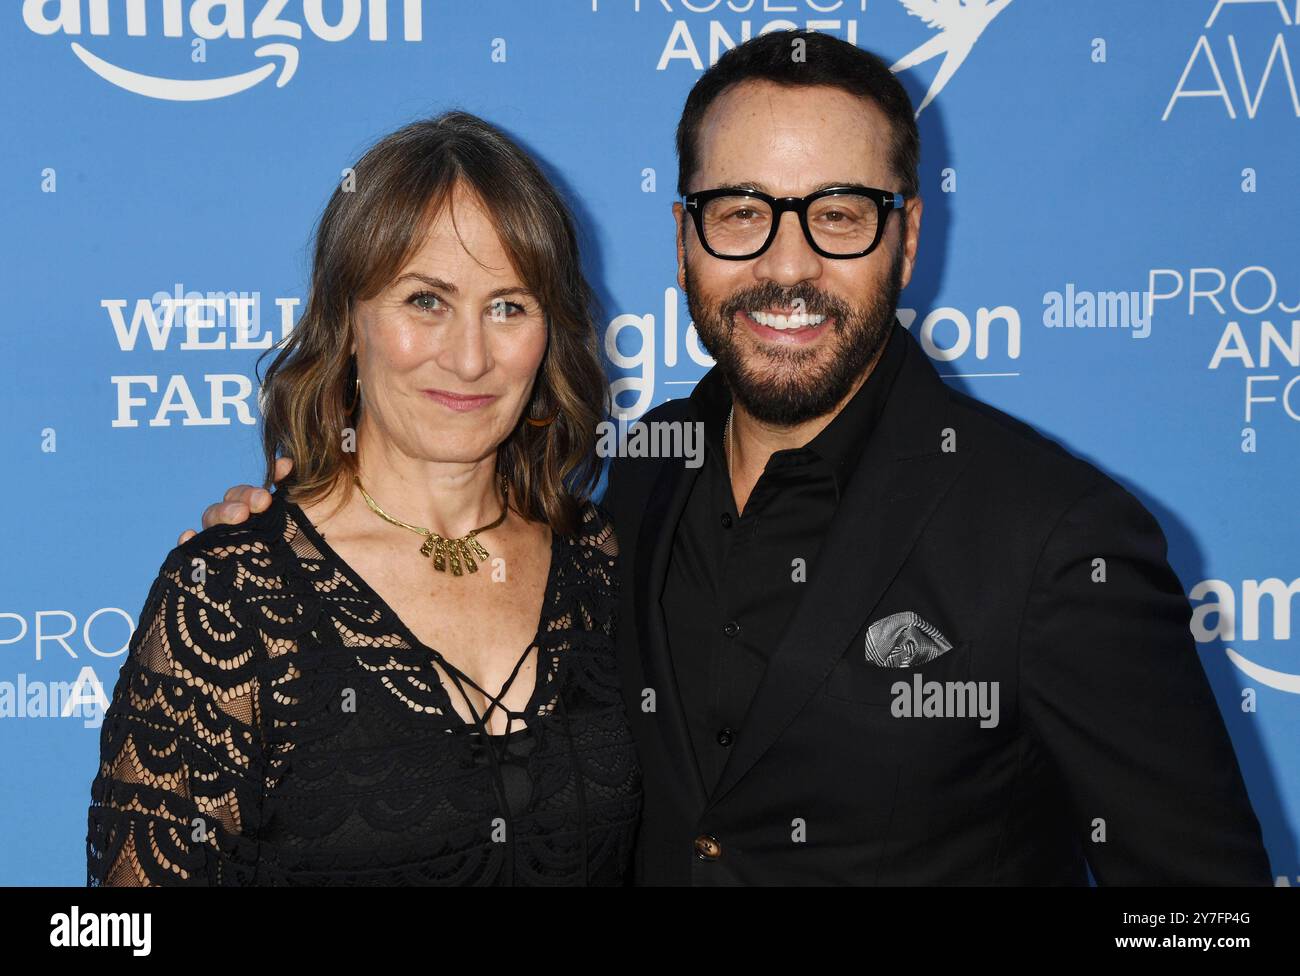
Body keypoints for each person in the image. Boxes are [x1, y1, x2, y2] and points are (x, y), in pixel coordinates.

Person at [190, 32, 1271, 885]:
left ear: (904, 237)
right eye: (740, 213)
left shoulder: (1055, 536)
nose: (786, 265)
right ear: (682, 239)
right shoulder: (627, 485)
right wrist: (297, 544)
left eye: (837, 215)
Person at [86, 112, 642, 886]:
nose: (471, 356)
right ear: (349, 321)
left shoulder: (607, 567)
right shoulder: (233, 597)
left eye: (509, 306)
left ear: (552, 334)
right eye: (426, 301)